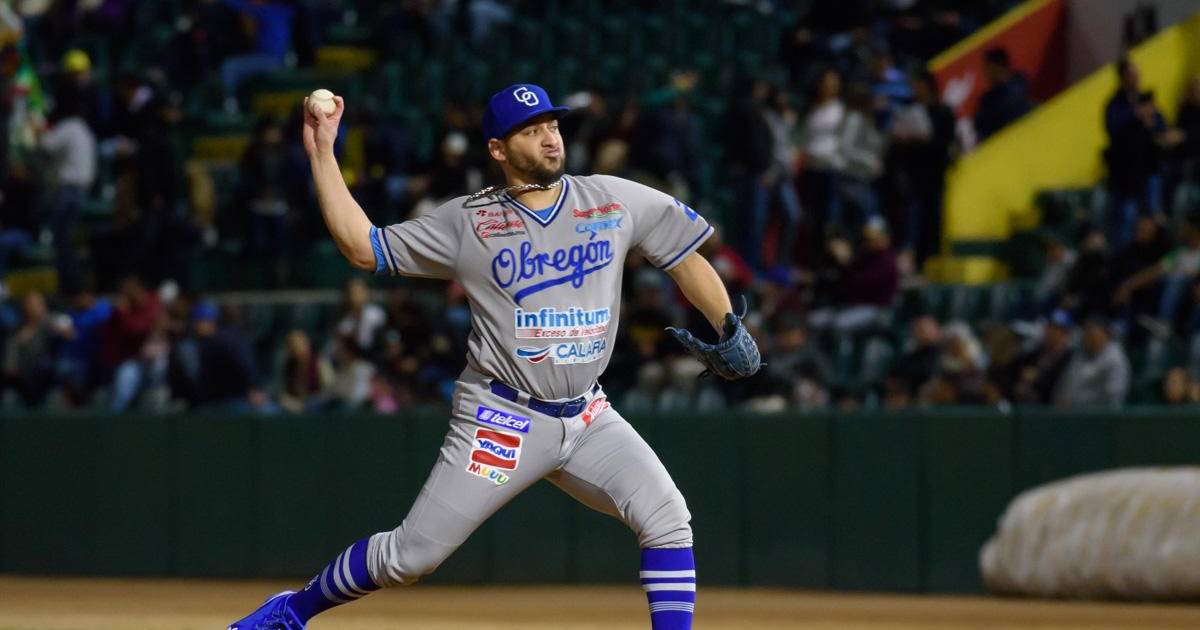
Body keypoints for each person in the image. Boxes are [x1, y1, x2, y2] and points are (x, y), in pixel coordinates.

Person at [228, 83, 762, 630]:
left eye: (552, 125)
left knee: (669, 520)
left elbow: (683, 255)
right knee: (410, 557)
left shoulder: (611, 199)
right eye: (531, 131)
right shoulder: (469, 221)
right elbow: (363, 246)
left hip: (588, 414)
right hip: (502, 416)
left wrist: (726, 323)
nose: (550, 139)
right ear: (498, 149)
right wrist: (323, 153)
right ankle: (292, 611)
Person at [973, 47, 1031, 142]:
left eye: (988, 68)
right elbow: (979, 125)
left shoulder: (1019, 83)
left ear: (996, 66)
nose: (986, 73)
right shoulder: (987, 99)